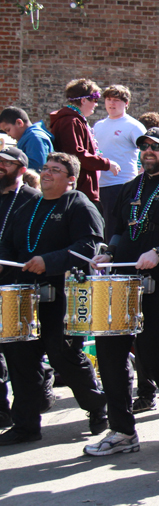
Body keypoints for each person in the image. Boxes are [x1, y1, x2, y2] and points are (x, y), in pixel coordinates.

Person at [85, 128, 159, 456]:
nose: (148, 150)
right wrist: (108, 252)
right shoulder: (129, 188)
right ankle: (122, 431)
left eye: (156, 146)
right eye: (144, 146)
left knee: (154, 360)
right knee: (110, 356)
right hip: (121, 285)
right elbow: (119, 231)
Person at [0, 152, 108, 446]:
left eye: (55, 170)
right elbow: (8, 245)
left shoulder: (79, 205)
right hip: (25, 293)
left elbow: (89, 246)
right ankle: (25, 425)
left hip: (63, 293)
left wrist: (48, 261)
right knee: (21, 357)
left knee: (63, 355)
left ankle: (97, 405)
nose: (46, 173)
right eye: (45, 168)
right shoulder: (28, 206)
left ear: (71, 179)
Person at [0, 147, 47, 432]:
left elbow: (35, 245)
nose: (0, 166)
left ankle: (26, 422)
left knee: (20, 358)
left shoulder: (33, 200)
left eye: (5, 163)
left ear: (20, 168)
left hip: (17, 287)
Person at [50, 79, 121, 207]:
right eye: (94, 100)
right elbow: (75, 155)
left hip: (83, 190)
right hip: (78, 192)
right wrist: (106, 164)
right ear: (83, 100)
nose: (96, 104)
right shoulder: (70, 121)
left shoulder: (76, 120)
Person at [94, 85, 147, 242]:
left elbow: (147, 151)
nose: (112, 103)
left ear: (126, 103)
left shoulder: (133, 126)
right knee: (100, 230)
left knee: (115, 230)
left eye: (116, 100)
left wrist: (142, 175)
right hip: (99, 186)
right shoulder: (98, 125)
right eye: (109, 99)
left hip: (121, 185)